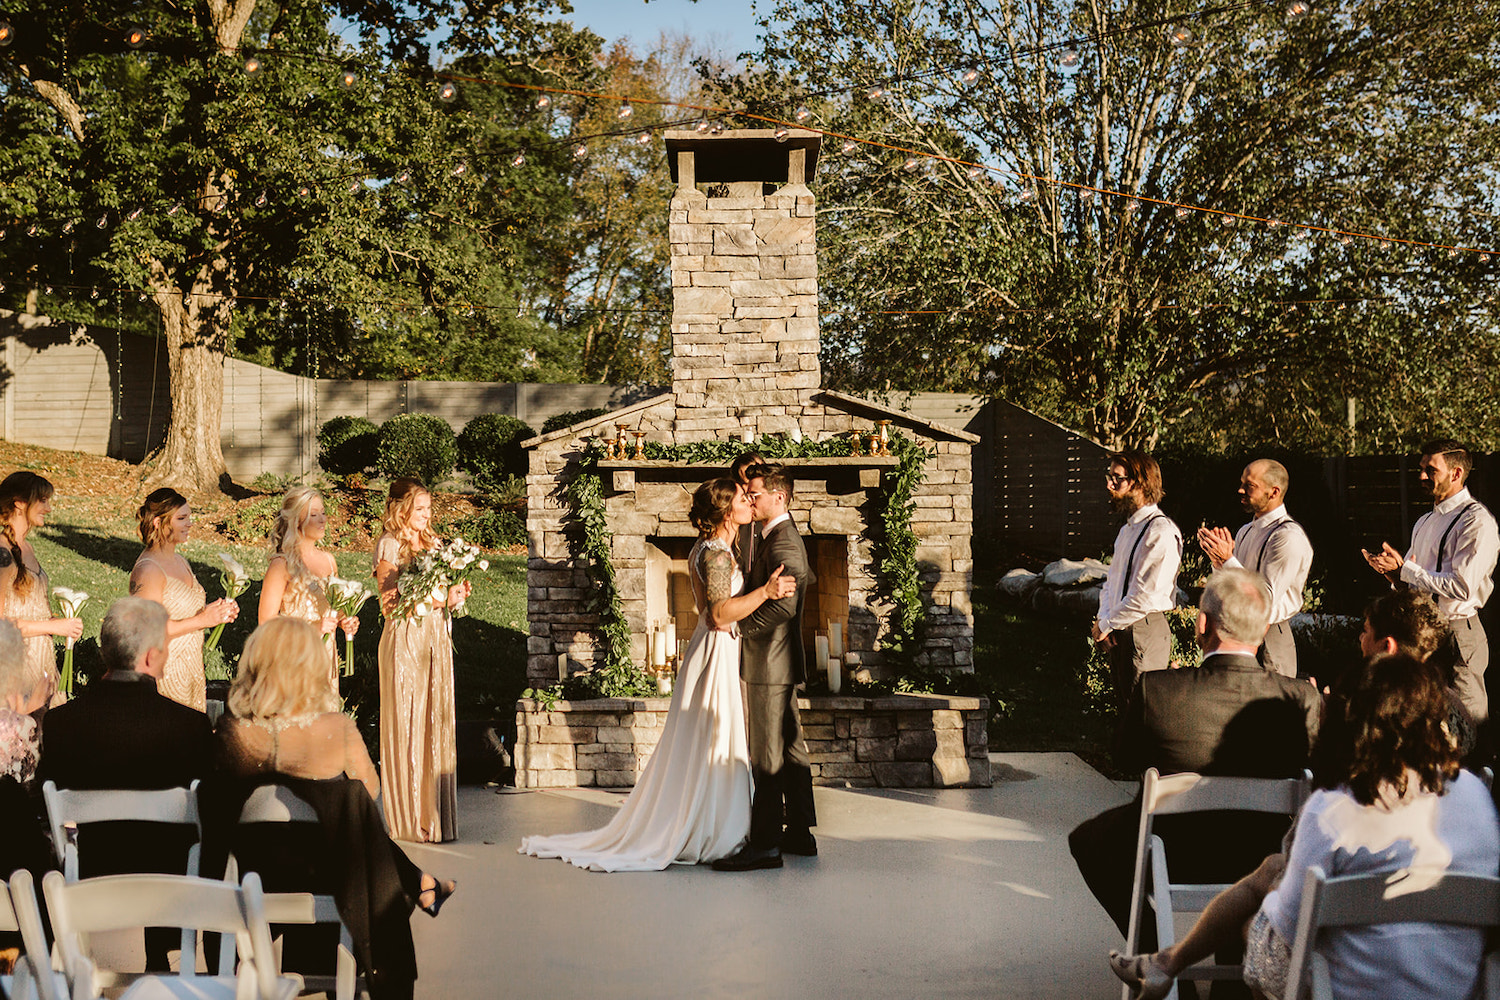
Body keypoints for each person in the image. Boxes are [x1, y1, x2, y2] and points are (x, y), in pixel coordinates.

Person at [1109, 653, 1499, 1000]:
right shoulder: (1476, 797)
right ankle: (1164, 963)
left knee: (1263, 911)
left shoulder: (1334, 810)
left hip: (1345, 988)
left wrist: (1268, 905)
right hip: (1455, 986)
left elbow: (1281, 952)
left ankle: (1165, 964)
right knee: (1273, 869)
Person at [520, 477, 796, 871]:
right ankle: (714, 830)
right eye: (741, 499)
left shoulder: (713, 546)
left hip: (716, 648)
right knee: (713, 738)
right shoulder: (717, 554)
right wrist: (766, 593)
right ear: (724, 512)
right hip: (717, 649)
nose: (750, 503)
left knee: (709, 739)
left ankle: (719, 821)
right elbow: (717, 615)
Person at [1069, 567, 1322, 938]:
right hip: (1263, 858)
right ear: (1264, 629)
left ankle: (1155, 954)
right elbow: (1319, 772)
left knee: (1090, 842)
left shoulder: (1158, 689)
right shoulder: (1301, 697)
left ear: (1202, 624)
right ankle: (1232, 973)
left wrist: (1174, 687)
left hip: (1173, 855)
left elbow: (1125, 759)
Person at [214, 617, 455, 1000]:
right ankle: (418, 883)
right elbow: (372, 808)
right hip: (334, 880)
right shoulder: (336, 728)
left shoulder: (234, 731)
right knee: (348, 816)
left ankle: (419, 882)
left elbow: (216, 808)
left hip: (255, 879)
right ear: (312, 667)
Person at [37, 597, 216, 971]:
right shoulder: (190, 727)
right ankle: (162, 962)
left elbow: (46, 807)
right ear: (150, 658)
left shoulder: (60, 723)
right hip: (170, 885)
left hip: (90, 875)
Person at [714, 463, 818, 872]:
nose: (750, 500)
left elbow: (785, 604)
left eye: (754, 494)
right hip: (780, 663)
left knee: (767, 755)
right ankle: (800, 834)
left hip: (770, 663)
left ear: (779, 496)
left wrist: (739, 626)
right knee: (791, 749)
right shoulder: (770, 534)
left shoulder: (784, 544)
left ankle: (766, 846)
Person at [1362, 439, 1499, 723]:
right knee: (1425, 713)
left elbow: (1462, 587)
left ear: (1456, 473)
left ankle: (1474, 768)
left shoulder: (1476, 522)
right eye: (1421, 469)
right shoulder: (1424, 521)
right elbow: (1416, 583)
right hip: (1422, 630)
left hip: (1457, 633)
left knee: (1466, 718)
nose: (1422, 476)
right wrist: (1393, 574)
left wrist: (1406, 571)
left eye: (1431, 470)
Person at [374, 477, 466, 843]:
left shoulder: (435, 543)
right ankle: (411, 818)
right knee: (409, 721)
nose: (426, 516)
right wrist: (437, 601)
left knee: (435, 719)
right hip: (406, 639)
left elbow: (442, 592)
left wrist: (456, 595)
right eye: (419, 509)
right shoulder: (390, 544)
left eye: (429, 509)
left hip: (436, 640)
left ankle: (435, 814)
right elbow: (389, 604)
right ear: (401, 510)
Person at [1196, 459, 1313, 677]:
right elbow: (1231, 588)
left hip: (1270, 637)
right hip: (1235, 634)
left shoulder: (1287, 537)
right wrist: (1218, 562)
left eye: (1250, 485)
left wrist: (1227, 559)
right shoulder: (1245, 532)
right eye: (1242, 483)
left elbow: (1264, 599)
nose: (1240, 490)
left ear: (1274, 492)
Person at [129, 488, 239, 711]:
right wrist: (202, 621)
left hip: (192, 668)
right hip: (164, 671)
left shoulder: (180, 560)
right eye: (181, 518)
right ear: (158, 522)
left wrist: (216, 611)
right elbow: (148, 631)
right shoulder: (149, 570)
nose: (189, 523)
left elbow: (182, 610)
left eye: (189, 517)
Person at [1094, 450, 1183, 706]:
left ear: (1140, 483)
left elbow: (1144, 597)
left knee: (1143, 711)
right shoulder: (1127, 530)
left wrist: (1107, 624)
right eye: (1109, 477)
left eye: (1117, 479)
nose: (1110, 485)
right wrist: (1105, 620)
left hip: (1144, 628)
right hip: (1120, 627)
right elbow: (1112, 582)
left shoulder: (1161, 531)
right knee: (1125, 711)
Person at [258, 487, 358, 697]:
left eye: (323, 512)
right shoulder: (281, 564)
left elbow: (332, 607)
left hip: (325, 655)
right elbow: (265, 623)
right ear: (296, 521)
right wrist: (312, 627)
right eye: (313, 515)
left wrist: (344, 621)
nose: (322, 519)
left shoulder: (329, 560)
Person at [0, 472, 84, 708]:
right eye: (43, 500)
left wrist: (62, 622)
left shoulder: (27, 547)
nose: (48, 508)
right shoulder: (2, 552)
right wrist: (53, 626)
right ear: (20, 503)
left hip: (41, 662)